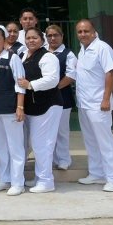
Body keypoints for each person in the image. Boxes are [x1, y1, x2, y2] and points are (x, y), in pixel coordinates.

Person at [74, 19, 113, 192]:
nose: (83, 34)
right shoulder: (82, 49)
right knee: (91, 140)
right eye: (80, 31)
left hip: (99, 104)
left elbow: (111, 73)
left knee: (105, 142)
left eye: (86, 31)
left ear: (94, 31)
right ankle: (96, 173)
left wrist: (106, 99)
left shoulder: (102, 48)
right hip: (84, 104)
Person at [0, 25, 27, 196]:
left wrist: (20, 107)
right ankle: (3, 179)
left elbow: (20, 85)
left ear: (4, 40)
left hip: (10, 110)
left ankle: (18, 182)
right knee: (0, 147)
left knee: (15, 147)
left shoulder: (12, 58)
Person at [17, 28, 62, 193]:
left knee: (43, 144)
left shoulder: (48, 57)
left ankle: (46, 181)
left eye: (34, 38)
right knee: (36, 144)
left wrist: (30, 85)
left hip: (48, 106)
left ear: (42, 39)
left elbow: (52, 80)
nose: (31, 41)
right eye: (28, 38)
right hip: (34, 107)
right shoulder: (25, 55)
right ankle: (39, 177)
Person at [46, 24, 77, 171]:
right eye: (49, 36)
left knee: (61, 130)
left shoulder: (68, 54)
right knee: (48, 131)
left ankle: (64, 159)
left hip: (62, 97)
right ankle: (51, 159)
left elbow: (71, 76)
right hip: (44, 99)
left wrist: (54, 88)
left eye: (55, 35)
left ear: (62, 36)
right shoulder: (43, 52)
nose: (52, 38)